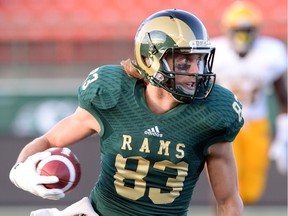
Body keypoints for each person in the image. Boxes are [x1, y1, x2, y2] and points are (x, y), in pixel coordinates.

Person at [9, 9, 244, 216]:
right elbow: (50, 140)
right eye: (184, 63)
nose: (196, 72)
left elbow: (228, 200)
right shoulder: (112, 94)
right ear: (149, 59)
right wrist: (20, 171)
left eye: (200, 61)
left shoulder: (212, 114)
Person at [211, 1, 287, 205]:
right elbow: (203, 92)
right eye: (238, 31)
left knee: (251, 192)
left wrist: (284, 133)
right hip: (227, 124)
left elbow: (283, 98)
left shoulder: (270, 53)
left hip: (257, 123)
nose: (242, 36)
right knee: (225, 184)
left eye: (247, 31)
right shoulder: (215, 52)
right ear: (227, 30)